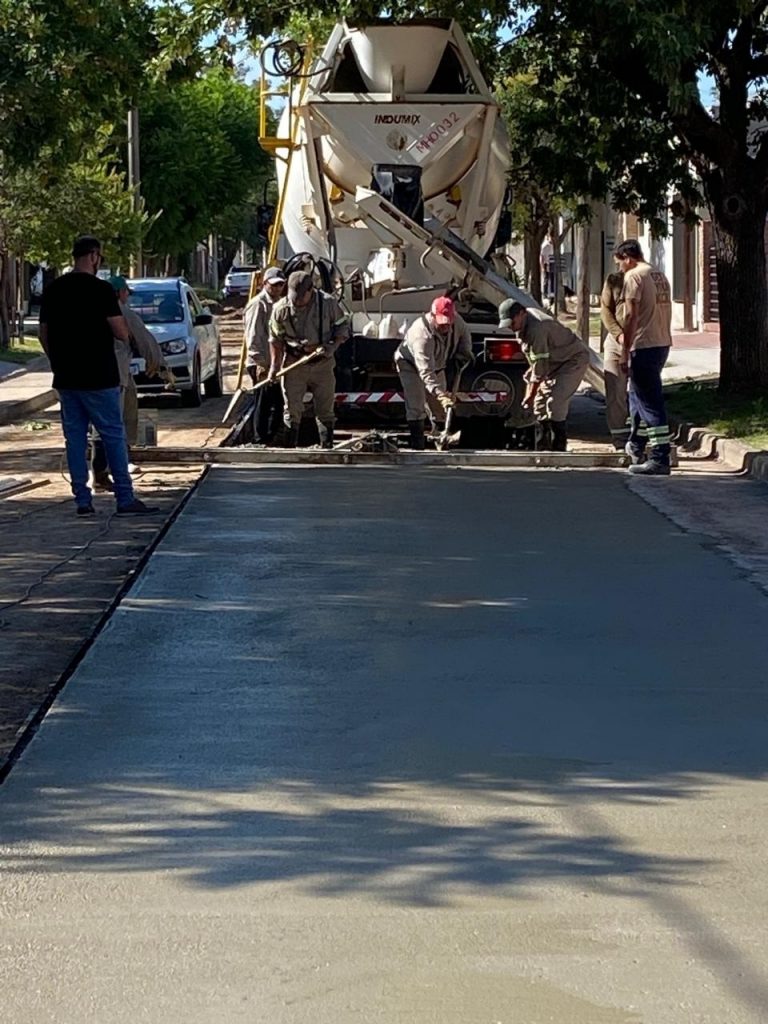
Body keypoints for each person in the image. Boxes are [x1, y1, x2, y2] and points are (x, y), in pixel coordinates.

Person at [38, 235, 158, 516]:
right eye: (99, 257)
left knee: (75, 439)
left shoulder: (54, 289)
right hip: (99, 376)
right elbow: (119, 329)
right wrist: (128, 338)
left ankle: (82, 500)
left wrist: (57, 360)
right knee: (113, 435)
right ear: (93, 256)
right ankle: (125, 499)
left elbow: (43, 334)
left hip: (67, 378)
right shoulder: (101, 290)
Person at [92, 274, 170, 490]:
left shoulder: (91, 310)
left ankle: (105, 470)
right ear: (119, 293)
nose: (128, 296)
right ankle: (105, 474)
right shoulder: (122, 312)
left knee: (107, 422)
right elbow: (146, 342)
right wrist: (161, 367)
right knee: (111, 426)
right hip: (114, 375)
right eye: (126, 292)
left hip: (92, 376)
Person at [268, 270, 351, 448]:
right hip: (294, 363)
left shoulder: (328, 304)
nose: (297, 301)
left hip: (322, 364)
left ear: (311, 290)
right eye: (293, 297)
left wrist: (332, 346)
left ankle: (326, 446)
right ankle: (291, 449)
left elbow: (342, 326)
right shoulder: (280, 309)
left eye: (301, 297)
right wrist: (274, 367)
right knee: (292, 409)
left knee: (325, 409)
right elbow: (275, 339)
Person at [614, 239, 673, 475]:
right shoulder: (658, 274)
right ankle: (636, 445)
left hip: (644, 345)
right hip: (661, 343)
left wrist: (624, 350)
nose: (619, 268)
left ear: (628, 258)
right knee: (637, 398)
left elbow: (631, 317)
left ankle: (660, 458)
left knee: (650, 402)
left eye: (620, 263)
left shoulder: (633, 277)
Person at [497, 300, 588, 451]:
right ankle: (543, 443)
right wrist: (532, 387)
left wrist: (529, 395)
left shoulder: (537, 328)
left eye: (512, 323)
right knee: (539, 404)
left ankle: (558, 445)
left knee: (555, 402)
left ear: (521, 314)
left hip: (572, 360)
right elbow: (535, 362)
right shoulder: (521, 327)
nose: (511, 328)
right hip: (553, 362)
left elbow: (539, 370)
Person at [394, 296, 473, 450]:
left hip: (437, 365)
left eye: (448, 322)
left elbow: (465, 335)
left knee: (439, 408)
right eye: (442, 323)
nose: (446, 327)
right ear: (433, 315)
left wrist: (465, 353)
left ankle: (440, 439)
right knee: (417, 405)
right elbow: (426, 372)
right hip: (411, 365)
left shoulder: (457, 322)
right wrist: (441, 394)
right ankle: (418, 446)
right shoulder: (421, 334)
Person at [244, 267, 286, 444]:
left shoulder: (280, 303)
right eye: (274, 285)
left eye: (280, 285)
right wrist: (262, 364)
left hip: (276, 363)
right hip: (262, 363)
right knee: (264, 402)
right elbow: (253, 336)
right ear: (265, 284)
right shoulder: (258, 304)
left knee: (278, 403)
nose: (277, 288)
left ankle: (268, 437)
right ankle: (260, 439)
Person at [599, 267, 631, 450]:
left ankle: (638, 438)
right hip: (615, 341)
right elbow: (605, 311)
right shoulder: (613, 280)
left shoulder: (644, 279)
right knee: (615, 390)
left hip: (639, 341)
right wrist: (619, 335)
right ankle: (619, 439)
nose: (621, 265)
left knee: (638, 392)